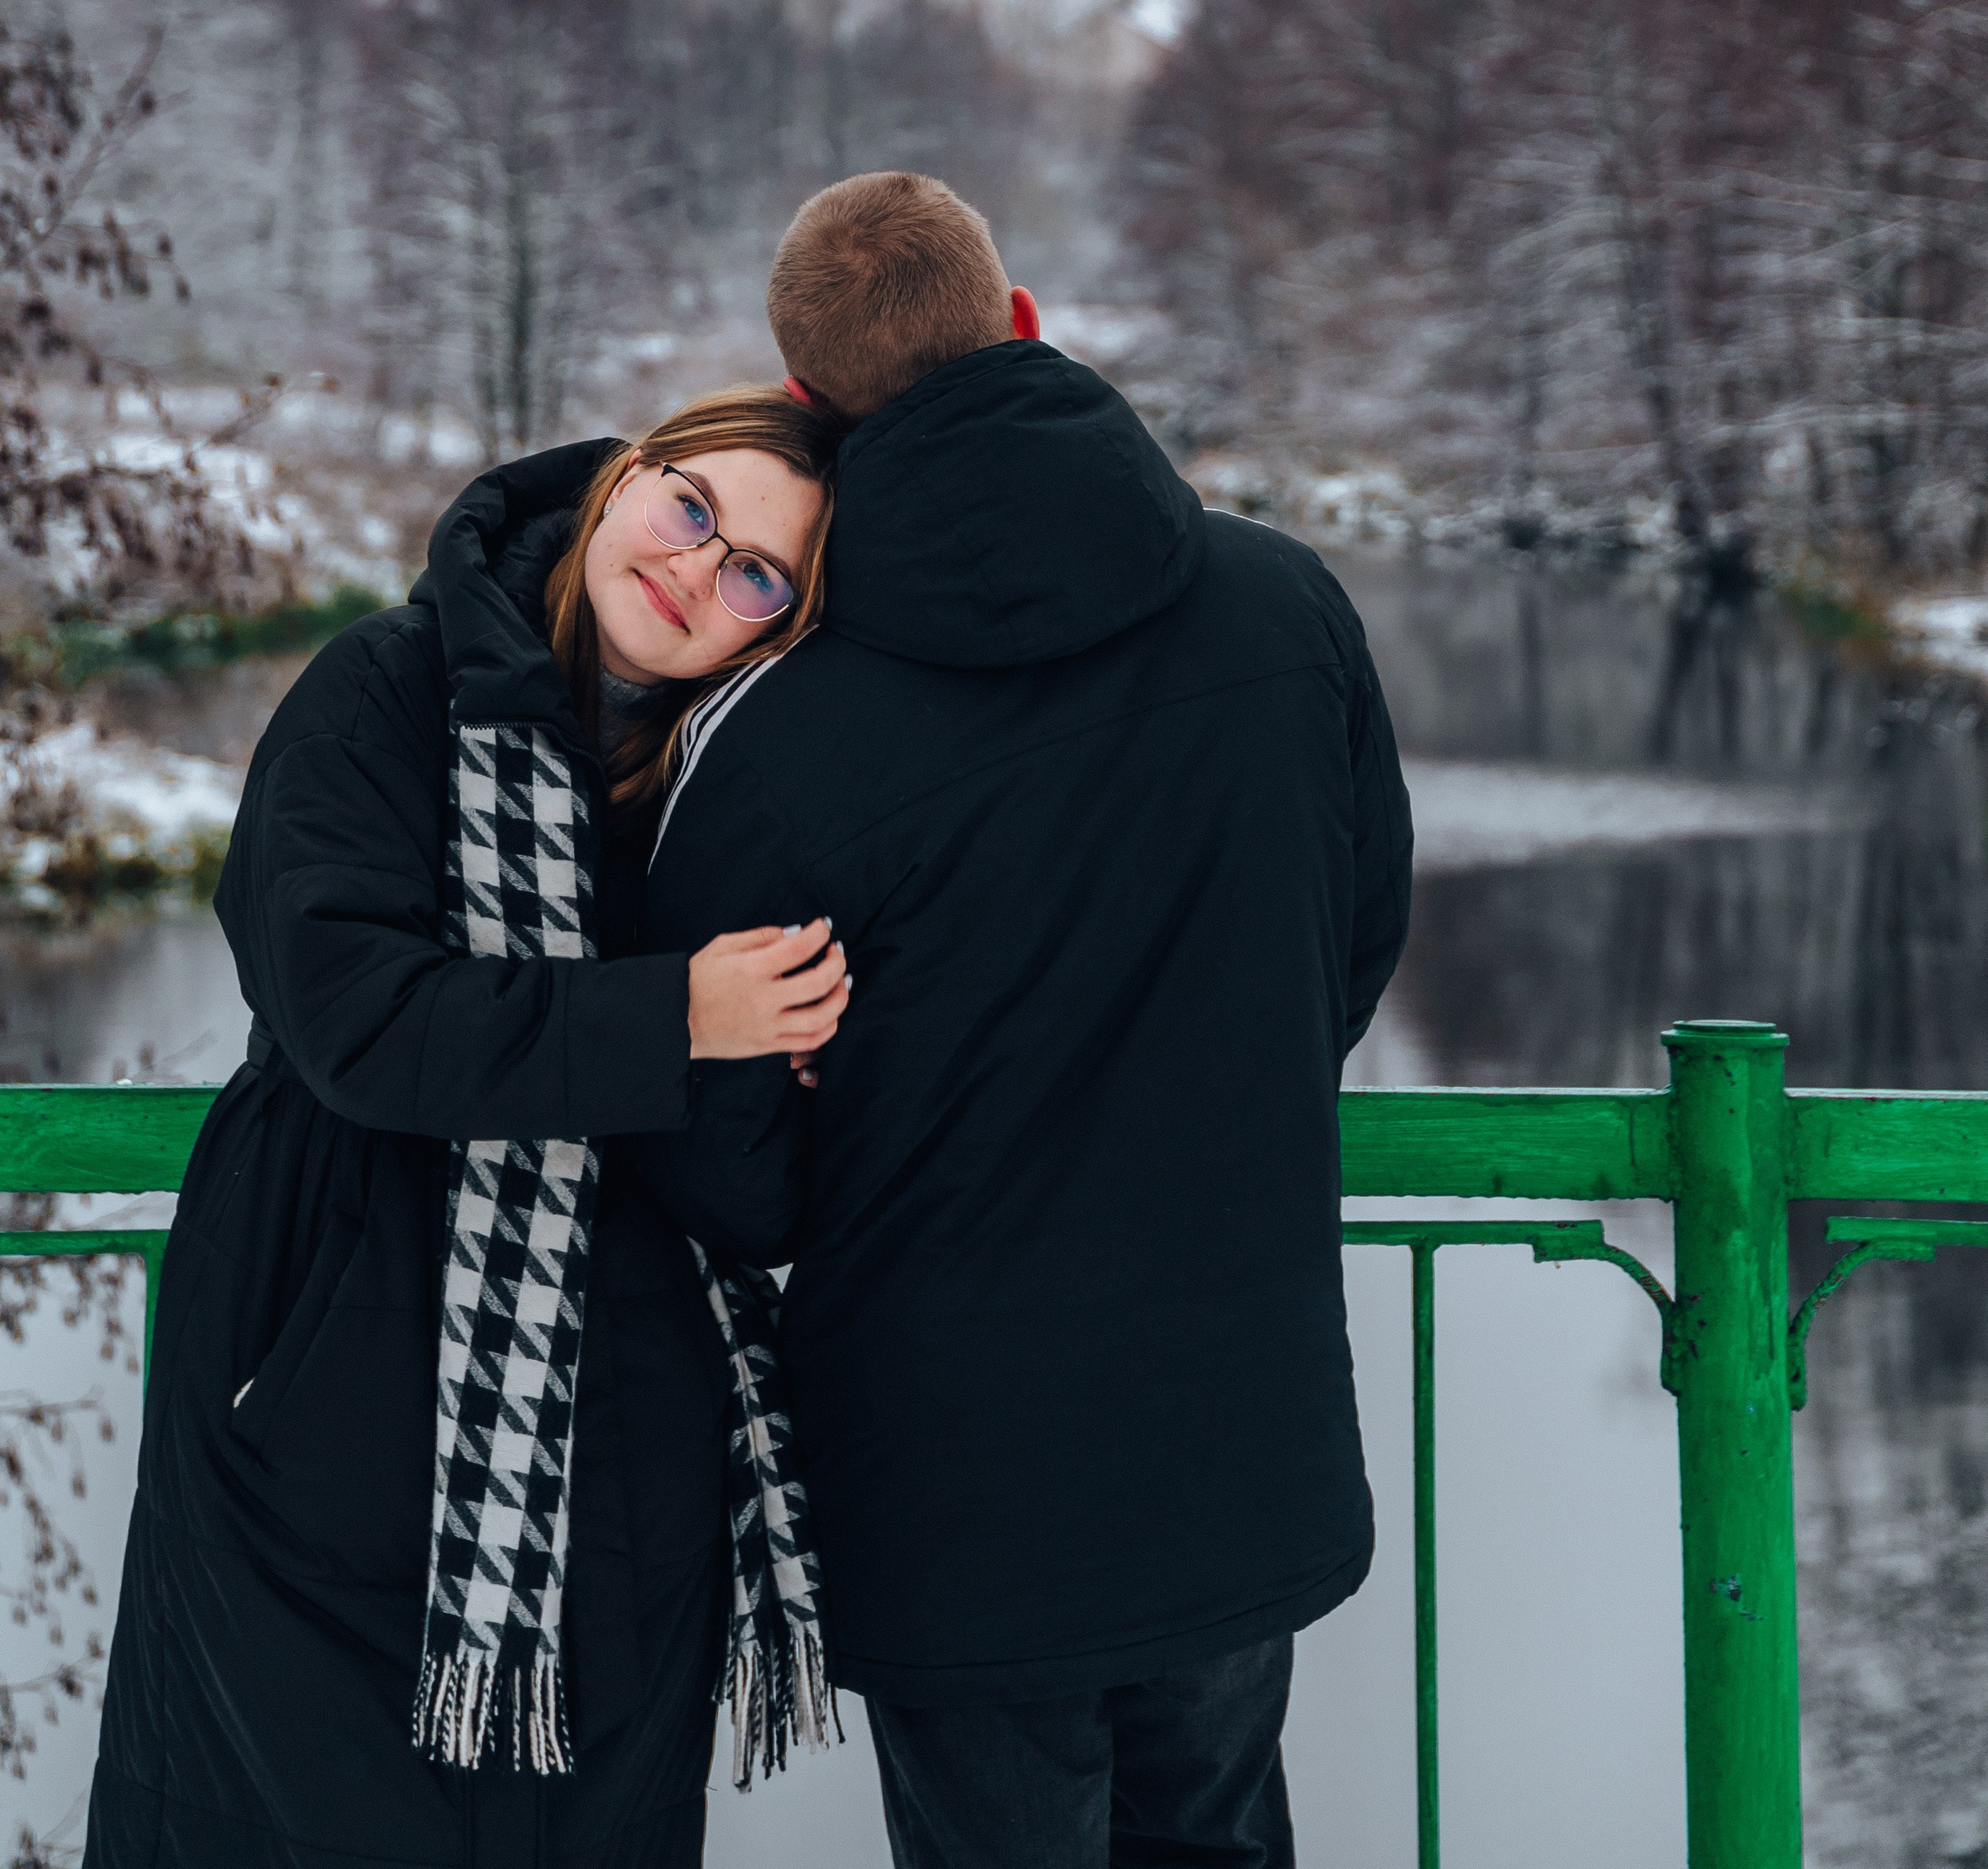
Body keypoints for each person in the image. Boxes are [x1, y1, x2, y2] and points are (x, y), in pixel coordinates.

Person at [643, 176, 1414, 1869]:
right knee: (1214, 1832)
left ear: (803, 402)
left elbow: (726, 1159)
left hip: (947, 1470)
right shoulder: (1283, 612)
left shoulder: (774, 744)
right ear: (1019, 322)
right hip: (1235, 1402)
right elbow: (1347, 952)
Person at [85, 389, 851, 1869]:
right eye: (694, 509)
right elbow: (352, 1015)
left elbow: (758, 1181)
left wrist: (801, 1065)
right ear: (633, 471)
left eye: (759, 573)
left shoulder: (737, 785)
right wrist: (675, 1019)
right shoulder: (385, 687)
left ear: (777, 628)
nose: (699, 570)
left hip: (626, 1427)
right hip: (326, 1366)